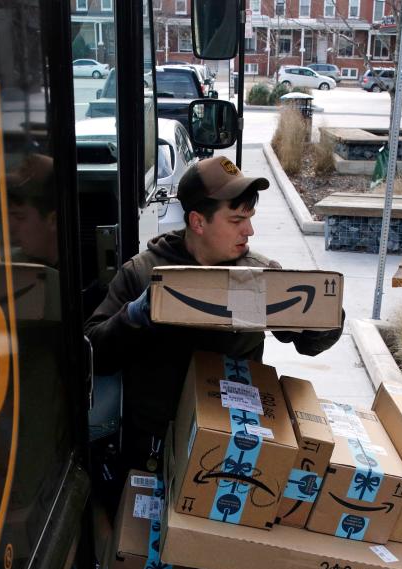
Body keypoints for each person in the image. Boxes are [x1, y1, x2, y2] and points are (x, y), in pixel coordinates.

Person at [85, 155, 345, 493]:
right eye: (236, 219)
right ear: (197, 222)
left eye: (249, 218)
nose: (249, 230)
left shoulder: (259, 277)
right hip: (152, 449)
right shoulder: (142, 274)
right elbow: (94, 352)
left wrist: (323, 317)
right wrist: (136, 315)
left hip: (234, 447)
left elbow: (310, 344)